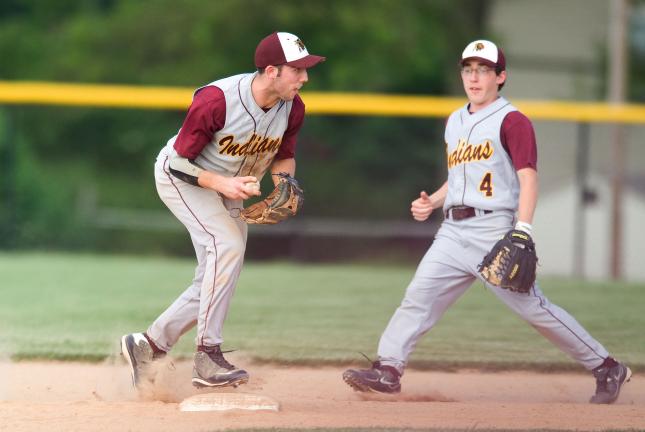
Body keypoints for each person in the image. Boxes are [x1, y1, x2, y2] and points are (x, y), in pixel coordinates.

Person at [342, 40, 631, 404]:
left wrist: (522, 231)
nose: (474, 77)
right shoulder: (456, 120)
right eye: (468, 69)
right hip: (452, 231)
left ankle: (606, 365)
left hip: (493, 230)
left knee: (534, 310)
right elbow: (461, 176)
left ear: (501, 77)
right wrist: (433, 200)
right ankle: (388, 369)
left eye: (483, 70)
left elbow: (528, 179)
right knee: (418, 298)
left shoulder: (513, 121)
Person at [121, 32, 325, 390]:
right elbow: (179, 163)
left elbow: (283, 156)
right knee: (227, 248)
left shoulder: (294, 107)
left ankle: (148, 345)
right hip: (184, 179)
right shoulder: (217, 100)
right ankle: (207, 356)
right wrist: (223, 185)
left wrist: (285, 185)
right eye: (298, 70)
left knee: (219, 270)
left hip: (231, 185)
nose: (305, 78)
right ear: (272, 70)